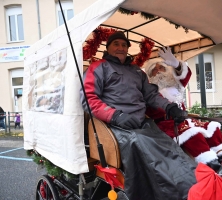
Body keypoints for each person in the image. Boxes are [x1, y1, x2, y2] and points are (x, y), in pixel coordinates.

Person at [81, 31, 196, 200]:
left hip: (142, 123)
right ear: (108, 47)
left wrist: (170, 107)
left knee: (169, 147)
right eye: (116, 44)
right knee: (146, 149)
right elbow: (88, 99)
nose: (120, 48)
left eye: (124, 45)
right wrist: (115, 116)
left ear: (128, 48)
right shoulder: (98, 67)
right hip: (114, 126)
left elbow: (151, 96)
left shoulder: (137, 71)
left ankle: (193, 186)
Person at [144, 47, 222, 171]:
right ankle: (211, 164)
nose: (159, 71)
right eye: (155, 70)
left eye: (162, 68)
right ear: (150, 75)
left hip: (186, 121)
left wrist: (175, 64)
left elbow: (185, 76)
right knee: (193, 134)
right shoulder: (151, 92)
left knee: (211, 127)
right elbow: (152, 110)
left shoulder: (174, 84)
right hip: (168, 125)